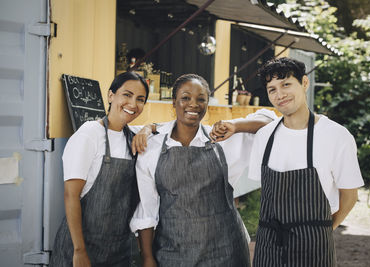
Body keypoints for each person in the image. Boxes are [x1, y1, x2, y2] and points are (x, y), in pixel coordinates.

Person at [131, 74, 274, 267]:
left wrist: (235, 125)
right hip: (174, 254)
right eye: (185, 98)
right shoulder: (152, 147)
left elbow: (271, 123)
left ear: (207, 104)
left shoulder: (223, 139)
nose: (193, 104)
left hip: (227, 252)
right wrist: (148, 258)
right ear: (174, 102)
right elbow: (146, 210)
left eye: (201, 99)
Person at [247, 57, 364, 266]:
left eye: (286, 84)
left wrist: (321, 230)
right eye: (272, 89)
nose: (279, 94)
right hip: (269, 244)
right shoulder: (265, 136)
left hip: (313, 247)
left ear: (304, 83)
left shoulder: (336, 135)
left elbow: (349, 195)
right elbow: (265, 191)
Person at [50, 71, 152, 267]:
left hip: (118, 252)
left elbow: (166, 127)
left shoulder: (134, 137)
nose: (133, 104)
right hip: (81, 248)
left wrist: (148, 129)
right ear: (111, 95)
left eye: (140, 99)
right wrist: (79, 251)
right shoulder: (90, 134)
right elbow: (71, 195)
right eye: (127, 95)